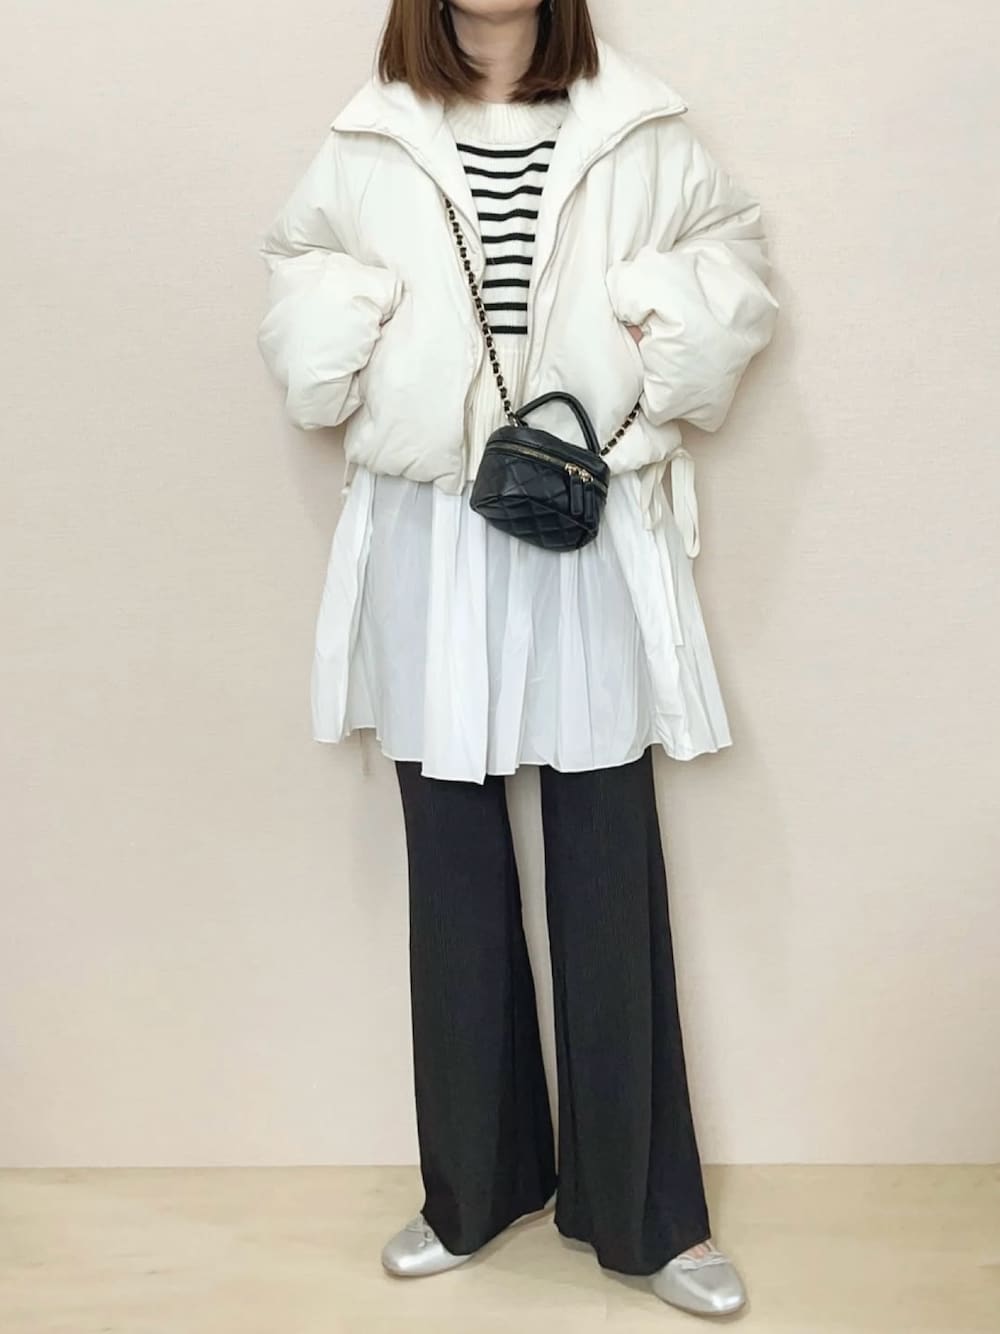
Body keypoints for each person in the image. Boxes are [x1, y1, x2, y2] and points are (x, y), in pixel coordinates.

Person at [255, 0, 778, 1318]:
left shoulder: (639, 122)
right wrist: (350, 324)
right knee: (453, 862)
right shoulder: (373, 134)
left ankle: (648, 1213)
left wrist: (655, 317)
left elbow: (732, 264)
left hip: (583, 514)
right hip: (430, 528)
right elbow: (298, 275)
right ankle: (473, 1187)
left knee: (607, 855)